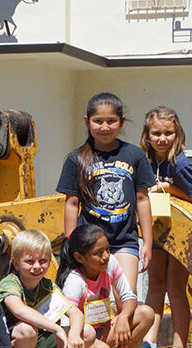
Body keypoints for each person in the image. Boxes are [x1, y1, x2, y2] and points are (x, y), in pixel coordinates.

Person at [58, 92, 155, 306]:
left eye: (111, 121)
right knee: (94, 303)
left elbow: (142, 199)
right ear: (87, 121)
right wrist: (70, 241)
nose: (104, 127)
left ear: (121, 122)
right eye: (98, 121)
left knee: (126, 299)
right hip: (90, 244)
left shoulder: (135, 155)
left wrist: (147, 242)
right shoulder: (76, 159)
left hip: (124, 240)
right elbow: (72, 204)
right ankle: (97, 340)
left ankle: (125, 339)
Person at [60, 224, 158, 348]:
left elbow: (128, 295)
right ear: (79, 257)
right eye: (98, 253)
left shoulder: (110, 262)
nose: (105, 256)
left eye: (107, 249)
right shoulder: (74, 282)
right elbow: (67, 332)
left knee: (146, 314)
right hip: (82, 339)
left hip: (101, 330)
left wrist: (123, 317)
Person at [140, 106, 192, 348]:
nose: (162, 138)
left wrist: (166, 187)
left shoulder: (181, 163)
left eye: (168, 133)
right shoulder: (143, 161)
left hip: (180, 233)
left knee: (175, 287)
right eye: (157, 133)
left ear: (177, 134)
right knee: (155, 284)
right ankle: (149, 345)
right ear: (148, 134)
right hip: (156, 231)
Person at [0, 229, 78, 348]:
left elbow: (75, 313)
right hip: (4, 346)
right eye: (29, 261)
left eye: (43, 261)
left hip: (36, 343)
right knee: (26, 330)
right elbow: (19, 310)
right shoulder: (10, 282)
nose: (37, 267)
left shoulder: (47, 286)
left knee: (87, 332)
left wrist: (75, 335)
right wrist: (57, 329)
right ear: (16, 263)